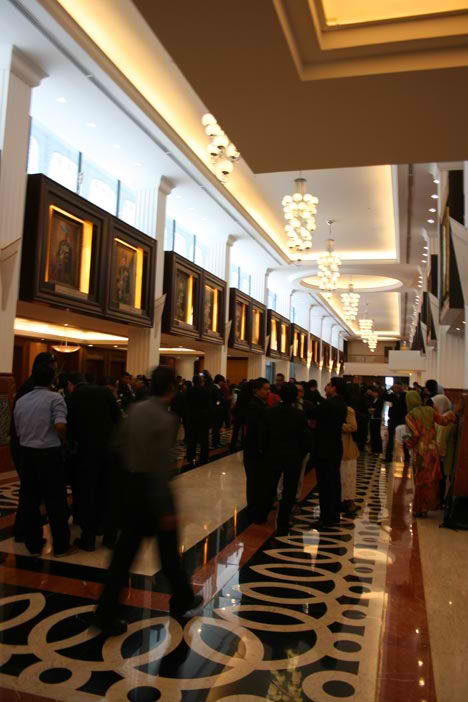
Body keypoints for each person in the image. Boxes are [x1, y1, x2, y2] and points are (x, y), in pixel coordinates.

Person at [94, 366, 202, 636]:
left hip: (131, 490)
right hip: (152, 495)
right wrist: (165, 508)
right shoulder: (167, 420)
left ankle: (105, 613)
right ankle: (183, 599)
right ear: (171, 389)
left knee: (122, 559)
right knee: (167, 555)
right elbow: (158, 467)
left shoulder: (134, 410)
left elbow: (116, 447)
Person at [13, 363, 75, 557]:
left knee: (30, 499)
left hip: (26, 454)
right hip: (48, 454)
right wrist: (65, 441)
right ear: (53, 379)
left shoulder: (22, 400)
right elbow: (60, 425)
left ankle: (33, 544)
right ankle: (61, 546)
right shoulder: (55, 398)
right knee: (55, 501)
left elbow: (17, 427)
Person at [67, 373, 121, 551]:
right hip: (109, 451)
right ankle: (109, 537)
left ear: (71, 385)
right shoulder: (104, 393)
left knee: (87, 494)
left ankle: (88, 539)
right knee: (109, 492)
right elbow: (118, 419)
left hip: (86, 453)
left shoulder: (73, 396)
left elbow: (70, 427)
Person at [10, 351, 57, 543]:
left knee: (29, 492)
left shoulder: (29, 386)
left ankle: (22, 531)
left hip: (25, 443)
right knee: (31, 492)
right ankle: (29, 534)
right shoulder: (31, 389)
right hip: (27, 445)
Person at [260, 383, 311, 535]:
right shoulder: (299, 414)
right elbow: (304, 438)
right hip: (292, 457)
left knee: (269, 486)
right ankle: (283, 522)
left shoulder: (270, 412)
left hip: (273, 455)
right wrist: (301, 454)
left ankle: (262, 515)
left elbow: (263, 436)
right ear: (295, 396)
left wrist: (265, 451)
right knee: (289, 491)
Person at [405, 390, 455, 518]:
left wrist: (409, 444)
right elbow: (444, 421)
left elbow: (415, 434)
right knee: (431, 481)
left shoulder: (410, 415)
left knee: (420, 480)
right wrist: (455, 413)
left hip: (421, 452)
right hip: (434, 451)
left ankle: (419, 508)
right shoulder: (430, 410)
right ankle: (428, 507)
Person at [310, 377, 348, 527]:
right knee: (333, 482)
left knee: (326, 483)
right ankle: (333, 515)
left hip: (325, 447)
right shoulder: (341, 403)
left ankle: (326, 517)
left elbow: (312, 412)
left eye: (328, 385)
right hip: (335, 446)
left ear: (334, 388)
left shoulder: (330, 403)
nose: (326, 387)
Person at [243, 378, 270, 521]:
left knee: (258, 482)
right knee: (254, 482)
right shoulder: (254, 406)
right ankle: (253, 511)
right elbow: (255, 430)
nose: (268, 392)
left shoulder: (261, 404)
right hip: (254, 450)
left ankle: (257, 509)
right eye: (265, 389)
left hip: (258, 450)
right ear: (257, 390)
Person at [185, 373, 211, 466]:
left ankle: (190, 456)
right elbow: (209, 405)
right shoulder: (206, 391)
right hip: (203, 417)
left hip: (192, 417)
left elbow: (186, 404)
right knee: (204, 439)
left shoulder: (189, 391)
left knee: (192, 438)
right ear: (201, 381)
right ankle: (204, 457)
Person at [341, 387, 359, 515]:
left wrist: (337, 425)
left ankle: (348, 501)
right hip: (339, 447)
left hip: (347, 447)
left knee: (348, 474)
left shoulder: (348, 410)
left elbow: (353, 427)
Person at [384, 383, 409, 462]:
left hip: (402, 419)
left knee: (405, 438)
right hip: (393, 419)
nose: (395, 389)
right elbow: (383, 396)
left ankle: (407, 456)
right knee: (390, 438)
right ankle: (388, 456)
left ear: (400, 388)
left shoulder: (405, 395)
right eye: (394, 388)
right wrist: (388, 389)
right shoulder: (391, 395)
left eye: (396, 387)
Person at [212, 374, 227, 448]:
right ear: (219, 381)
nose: (224, 383)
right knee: (216, 428)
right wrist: (219, 403)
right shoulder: (215, 388)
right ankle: (215, 443)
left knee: (217, 428)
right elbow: (217, 400)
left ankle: (217, 442)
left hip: (218, 411)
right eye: (223, 381)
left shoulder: (217, 388)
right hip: (216, 412)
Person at [367, 387, 384, 454]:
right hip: (372, 417)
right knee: (372, 434)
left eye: (374, 392)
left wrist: (374, 410)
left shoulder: (380, 400)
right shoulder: (373, 399)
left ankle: (378, 449)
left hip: (377, 418)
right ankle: (373, 449)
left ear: (377, 393)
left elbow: (379, 409)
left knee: (376, 434)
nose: (373, 393)